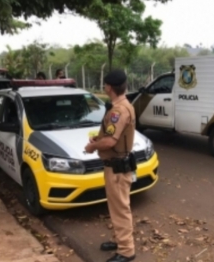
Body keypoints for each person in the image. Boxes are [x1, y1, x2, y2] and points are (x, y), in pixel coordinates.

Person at [84, 69, 136, 262]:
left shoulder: (118, 111)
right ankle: (120, 241)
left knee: (120, 208)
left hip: (117, 167)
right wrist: (99, 138)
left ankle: (126, 251)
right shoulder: (123, 105)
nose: (104, 87)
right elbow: (115, 135)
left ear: (109, 87)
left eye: (105, 84)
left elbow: (111, 142)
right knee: (118, 207)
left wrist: (92, 146)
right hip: (116, 165)